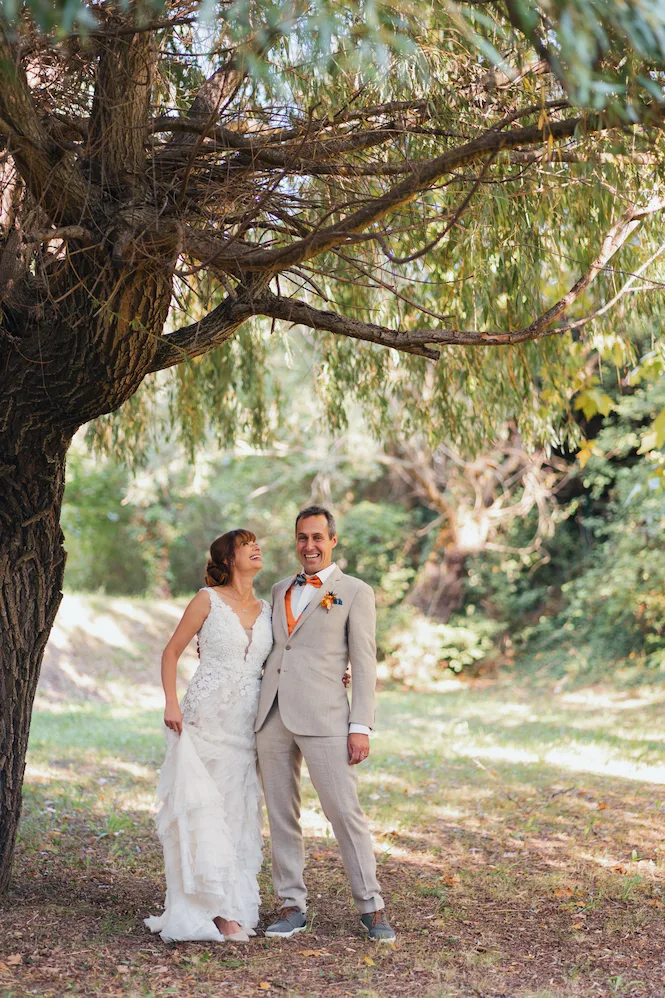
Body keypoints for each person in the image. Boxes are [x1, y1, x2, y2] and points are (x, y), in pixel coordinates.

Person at [255, 505, 397, 943]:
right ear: (295, 542)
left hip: (327, 717)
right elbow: (271, 646)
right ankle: (290, 904)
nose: (309, 545)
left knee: (344, 812)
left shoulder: (355, 591)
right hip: (272, 715)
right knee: (281, 814)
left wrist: (361, 725)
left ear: (333, 540)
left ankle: (371, 906)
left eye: (317, 537)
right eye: (302, 537)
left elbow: (364, 661)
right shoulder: (279, 588)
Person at [144, 529, 273, 943]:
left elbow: (285, 662)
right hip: (204, 719)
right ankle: (209, 910)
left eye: (257, 544)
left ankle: (229, 903)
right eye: (246, 544)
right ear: (228, 557)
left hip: (245, 726)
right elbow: (170, 652)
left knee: (236, 812)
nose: (256, 549)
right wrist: (170, 703)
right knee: (204, 810)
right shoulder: (207, 600)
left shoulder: (269, 609)